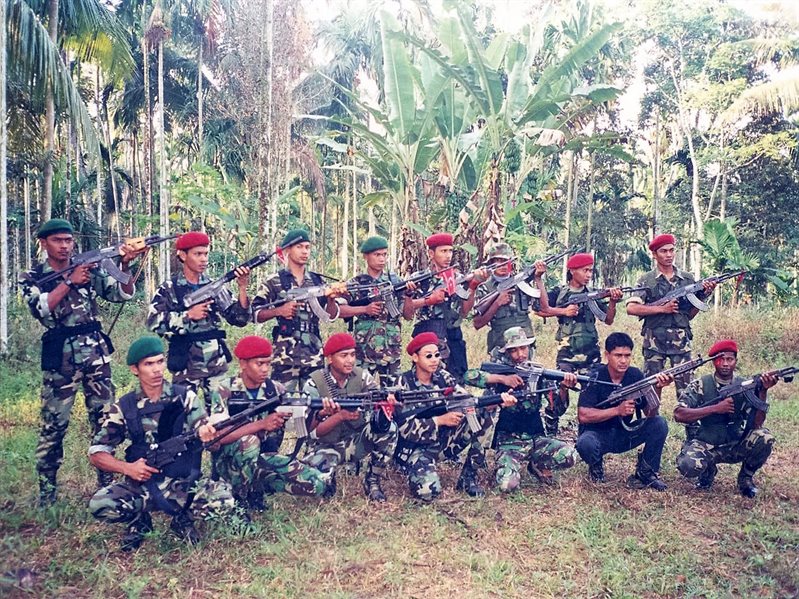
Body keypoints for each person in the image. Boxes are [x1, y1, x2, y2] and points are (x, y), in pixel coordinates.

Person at [20, 218, 147, 505]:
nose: (64, 246)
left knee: (105, 421)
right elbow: (40, 309)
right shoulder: (32, 276)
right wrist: (70, 281)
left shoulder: (89, 267)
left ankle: (107, 485)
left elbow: (120, 293)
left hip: (96, 355)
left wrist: (125, 264)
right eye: (57, 240)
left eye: (68, 240)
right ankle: (47, 493)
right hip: (60, 359)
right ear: (44, 243)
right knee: (54, 426)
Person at [88, 337, 235, 551]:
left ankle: (182, 519)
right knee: (100, 504)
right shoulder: (125, 406)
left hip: (182, 484)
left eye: (160, 361)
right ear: (134, 369)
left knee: (223, 500)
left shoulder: (185, 397)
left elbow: (208, 436)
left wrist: (209, 436)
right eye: (149, 364)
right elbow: (97, 452)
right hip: (142, 484)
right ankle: (139, 520)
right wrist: (127, 468)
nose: (157, 369)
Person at [208, 335, 329, 512]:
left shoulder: (276, 389)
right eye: (259, 364)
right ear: (243, 364)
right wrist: (261, 424)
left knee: (316, 483)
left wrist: (319, 415)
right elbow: (218, 437)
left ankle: (259, 486)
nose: (265, 369)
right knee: (249, 443)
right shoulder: (224, 390)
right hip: (230, 463)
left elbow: (300, 428)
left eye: (268, 363)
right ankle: (240, 499)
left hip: (264, 458)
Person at [394, 332, 515, 501]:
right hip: (414, 448)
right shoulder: (403, 384)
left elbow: (467, 400)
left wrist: (496, 402)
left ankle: (468, 476)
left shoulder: (443, 377)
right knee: (428, 492)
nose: (434, 360)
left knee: (481, 414)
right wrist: (440, 420)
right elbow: (404, 428)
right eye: (428, 356)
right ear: (415, 357)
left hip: (442, 443)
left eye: (437, 355)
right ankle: (410, 468)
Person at [464, 327, 578, 492]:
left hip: (536, 439)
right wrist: (503, 379)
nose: (520, 354)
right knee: (507, 485)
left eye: (523, 348)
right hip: (508, 442)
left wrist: (563, 389)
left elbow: (556, 411)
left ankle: (537, 464)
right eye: (514, 350)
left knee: (569, 456)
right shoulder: (501, 372)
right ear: (506, 353)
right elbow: (469, 376)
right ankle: (503, 467)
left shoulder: (539, 373)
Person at [147, 231, 251, 408]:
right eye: (197, 254)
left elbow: (239, 319)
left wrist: (242, 288)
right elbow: (153, 321)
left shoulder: (214, 286)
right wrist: (187, 316)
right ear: (182, 255)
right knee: (184, 414)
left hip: (215, 362)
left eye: (205, 254)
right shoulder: (169, 288)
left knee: (221, 413)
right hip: (185, 363)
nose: (203, 259)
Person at [301, 333, 399, 502]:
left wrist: (387, 401)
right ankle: (328, 476)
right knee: (318, 488)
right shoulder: (314, 384)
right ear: (330, 358)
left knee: (389, 429)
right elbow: (311, 433)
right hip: (325, 446)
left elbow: (378, 399)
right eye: (344, 355)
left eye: (353, 355)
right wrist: (338, 416)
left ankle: (372, 479)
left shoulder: (362, 376)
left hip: (355, 442)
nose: (350, 360)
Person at [674, 340, 777, 497]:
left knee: (765, 438)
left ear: (736, 361)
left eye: (730, 359)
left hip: (734, 443)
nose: (725, 364)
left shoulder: (745, 385)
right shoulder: (701, 384)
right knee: (687, 465)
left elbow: (757, 423)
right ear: (714, 361)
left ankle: (745, 478)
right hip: (706, 443)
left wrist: (763, 391)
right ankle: (707, 472)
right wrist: (716, 408)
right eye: (720, 359)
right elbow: (679, 414)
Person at [537, 253, 622, 435]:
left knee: (596, 392)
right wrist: (563, 311)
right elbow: (539, 310)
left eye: (590, 271)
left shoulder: (593, 294)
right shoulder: (559, 292)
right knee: (558, 390)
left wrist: (613, 302)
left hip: (591, 354)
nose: (589, 274)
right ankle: (551, 430)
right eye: (585, 270)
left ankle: (592, 432)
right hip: (566, 354)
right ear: (572, 271)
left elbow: (608, 320)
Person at [575, 332, 672, 491]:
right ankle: (596, 467)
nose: (623, 360)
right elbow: (583, 416)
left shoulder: (635, 375)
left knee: (659, 424)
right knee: (586, 443)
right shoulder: (595, 377)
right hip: (597, 434)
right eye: (618, 355)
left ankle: (646, 472)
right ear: (607, 355)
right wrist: (617, 410)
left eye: (627, 355)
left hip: (624, 433)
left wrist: (657, 389)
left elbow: (650, 413)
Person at [252, 229, 344, 392]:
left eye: (307, 247)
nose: (305, 251)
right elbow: (255, 313)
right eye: (299, 247)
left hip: (313, 354)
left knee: (316, 402)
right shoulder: (274, 281)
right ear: (287, 250)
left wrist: (331, 299)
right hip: (284, 356)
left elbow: (330, 316)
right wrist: (279, 311)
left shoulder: (317, 281)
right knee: (281, 402)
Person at [626, 234, 715, 398]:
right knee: (651, 390)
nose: (669, 255)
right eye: (663, 251)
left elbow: (689, 315)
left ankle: (687, 415)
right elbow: (631, 308)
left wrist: (704, 295)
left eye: (671, 250)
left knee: (687, 391)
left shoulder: (687, 279)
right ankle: (651, 415)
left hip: (681, 343)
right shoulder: (646, 280)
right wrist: (662, 309)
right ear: (654, 254)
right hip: (654, 343)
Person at [404, 232, 488, 381]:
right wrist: (428, 301)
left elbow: (465, 311)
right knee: (428, 380)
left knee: (456, 380)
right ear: (431, 254)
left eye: (450, 251)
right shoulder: (418, 279)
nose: (448, 256)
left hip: (453, 335)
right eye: (443, 251)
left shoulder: (458, 278)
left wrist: (473, 286)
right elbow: (407, 314)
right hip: (428, 333)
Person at [339, 236, 414, 382]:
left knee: (394, 392)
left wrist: (409, 296)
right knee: (360, 391)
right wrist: (364, 309)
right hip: (364, 351)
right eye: (377, 255)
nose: (382, 259)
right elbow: (338, 311)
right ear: (365, 256)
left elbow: (408, 316)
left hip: (391, 351)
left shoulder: (395, 282)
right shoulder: (356, 283)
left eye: (384, 254)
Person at [472, 243, 549, 354]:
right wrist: (497, 303)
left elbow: (544, 308)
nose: (502, 265)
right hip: (501, 345)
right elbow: (477, 323)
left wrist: (538, 278)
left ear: (511, 263)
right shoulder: (484, 288)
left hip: (525, 344)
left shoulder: (521, 282)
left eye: (505, 261)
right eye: (498, 261)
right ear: (491, 264)